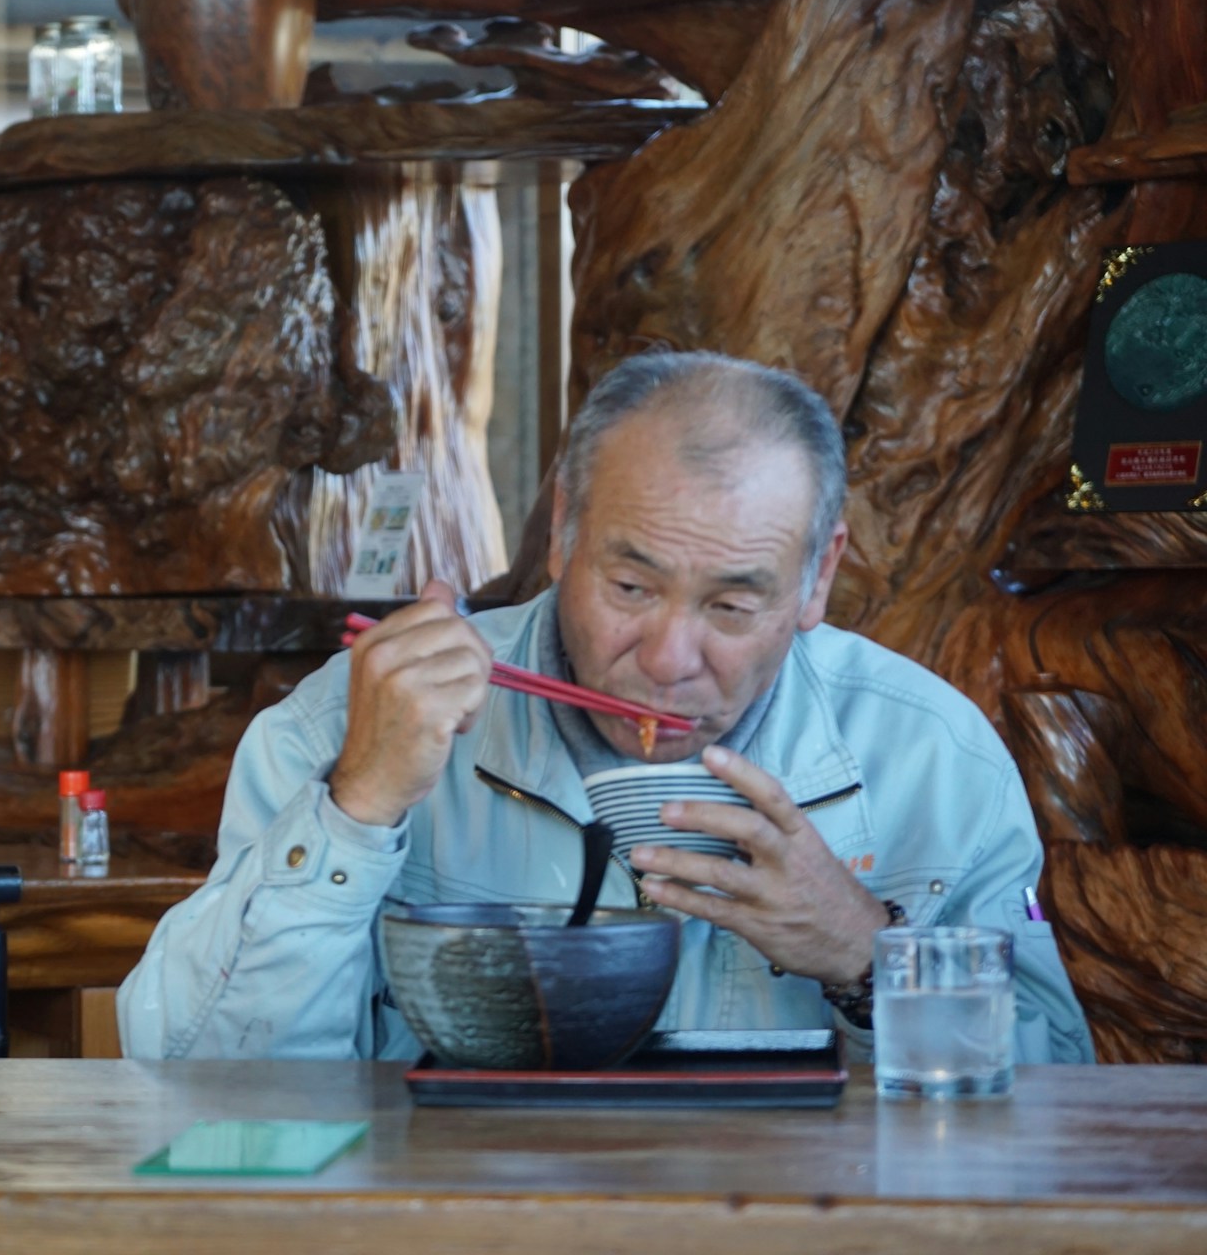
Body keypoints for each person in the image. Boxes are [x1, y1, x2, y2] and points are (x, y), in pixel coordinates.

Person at [117, 351, 1094, 1064]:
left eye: (731, 604)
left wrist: (865, 952)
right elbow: (200, 1081)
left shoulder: (928, 754)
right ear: (563, 535)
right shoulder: (351, 722)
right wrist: (355, 808)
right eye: (629, 587)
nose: (669, 659)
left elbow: (1056, 1102)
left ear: (816, 577)